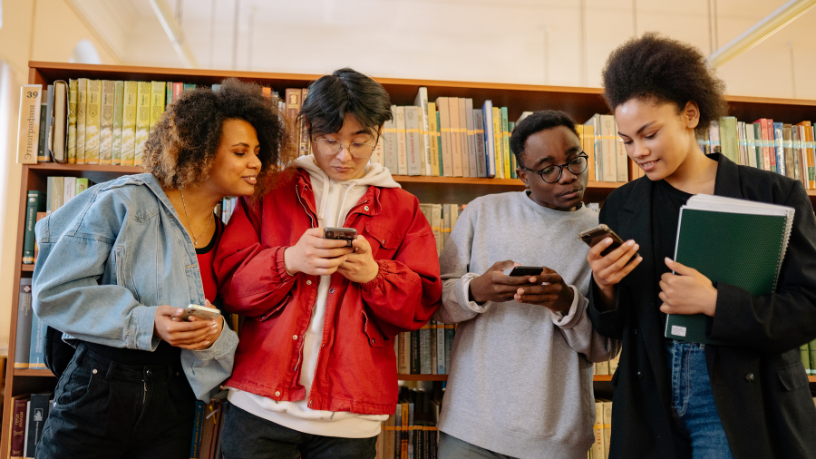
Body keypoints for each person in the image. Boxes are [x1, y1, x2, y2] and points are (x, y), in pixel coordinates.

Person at [31, 78, 290, 459]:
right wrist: (149, 321)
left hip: (176, 395)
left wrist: (215, 331)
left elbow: (225, 322)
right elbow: (55, 293)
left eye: (257, 151)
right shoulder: (120, 201)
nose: (256, 162)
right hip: (99, 386)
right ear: (198, 150)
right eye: (240, 152)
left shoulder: (231, 235)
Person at [586, 33, 816, 459]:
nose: (638, 151)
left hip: (741, 399)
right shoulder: (621, 206)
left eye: (649, 134)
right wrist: (603, 287)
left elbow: (807, 308)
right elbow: (610, 329)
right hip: (649, 399)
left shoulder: (773, 193)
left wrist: (715, 302)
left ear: (690, 113)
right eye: (627, 140)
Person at [214, 68, 443, 459]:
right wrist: (289, 260)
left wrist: (375, 275)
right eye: (329, 140)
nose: (344, 155)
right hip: (258, 406)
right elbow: (230, 288)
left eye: (360, 141)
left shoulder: (403, 207)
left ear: (378, 136)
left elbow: (420, 306)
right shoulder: (270, 189)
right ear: (309, 133)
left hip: (351, 417)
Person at [434, 110, 620, 459]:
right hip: (472, 426)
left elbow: (604, 348)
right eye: (548, 169)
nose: (567, 177)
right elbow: (437, 305)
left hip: (556, 438)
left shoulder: (602, 235)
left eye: (575, 161)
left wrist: (566, 303)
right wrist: (476, 291)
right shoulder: (482, 212)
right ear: (523, 175)